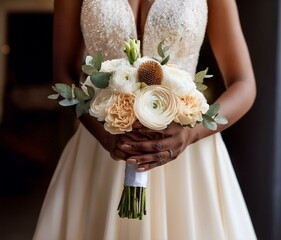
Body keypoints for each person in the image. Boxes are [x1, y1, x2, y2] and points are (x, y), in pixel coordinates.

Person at [34, 0, 257, 239]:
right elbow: (63, 75)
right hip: (100, 150)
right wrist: (103, 135)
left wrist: (192, 133)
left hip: (188, 154)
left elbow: (243, 82)